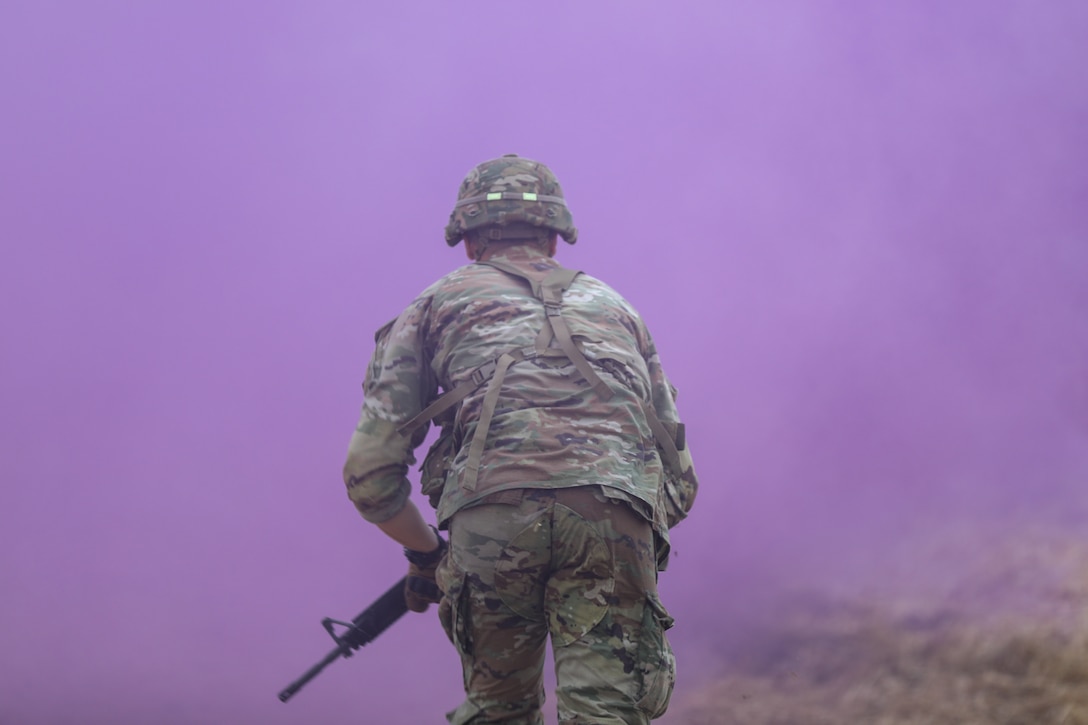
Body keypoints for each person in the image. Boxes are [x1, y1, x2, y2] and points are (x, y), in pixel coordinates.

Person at [342, 154, 699, 724]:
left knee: (499, 712)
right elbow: (679, 476)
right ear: (555, 240)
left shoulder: (432, 307)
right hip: (615, 514)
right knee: (608, 712)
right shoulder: (617, 309)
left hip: (491, 517)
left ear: (467, 240)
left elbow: (369, 475)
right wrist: (622, 539)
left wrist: (427, 553)